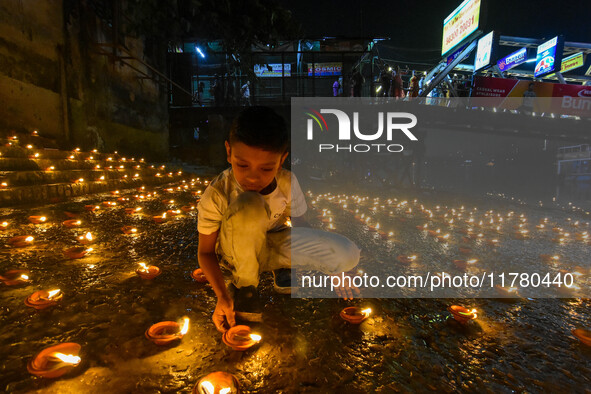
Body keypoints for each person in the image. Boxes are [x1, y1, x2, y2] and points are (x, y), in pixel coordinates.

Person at [197, 106, 360, 331]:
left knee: (347, 254)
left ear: (282, 159)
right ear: (228, 152)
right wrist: (222, 295)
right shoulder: (218, 193)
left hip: (273, 245)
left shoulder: (287, 182)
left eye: (266, 168)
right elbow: (205, 252)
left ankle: (281, 267)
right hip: (236, 253)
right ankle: (245, 287)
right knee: (250, 203)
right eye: (242, 165)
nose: (253, 177)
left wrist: (333, 267)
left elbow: (302, 226)